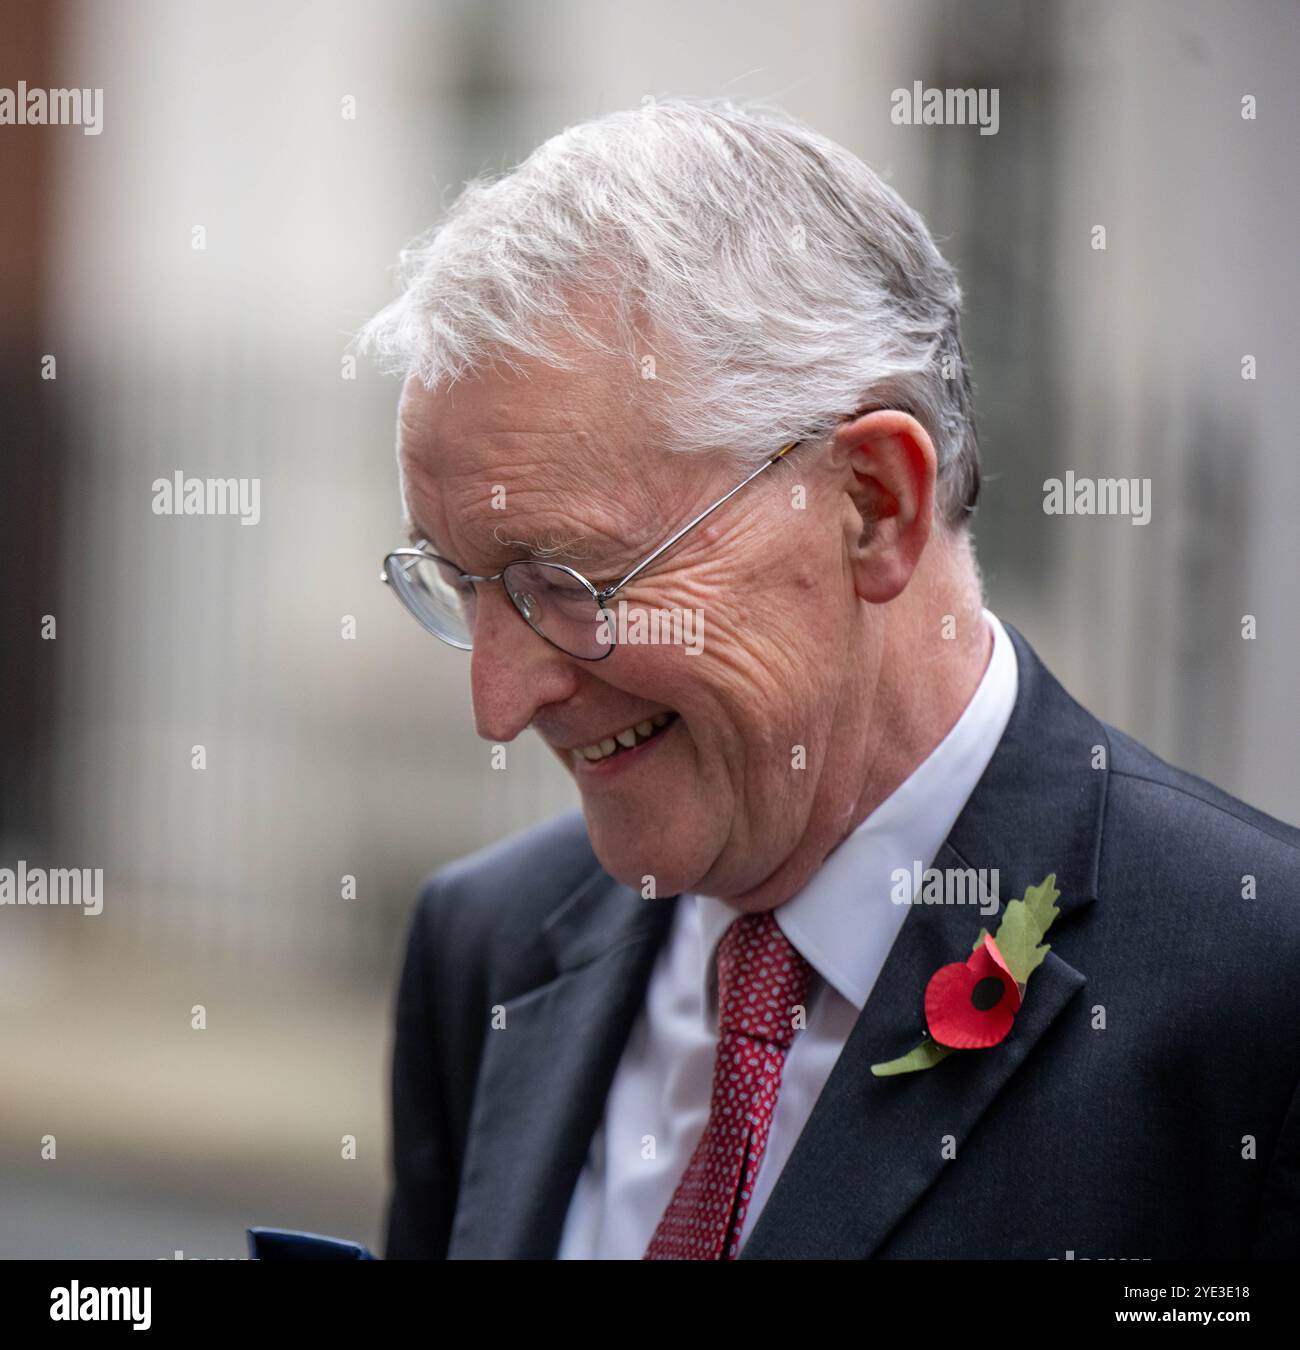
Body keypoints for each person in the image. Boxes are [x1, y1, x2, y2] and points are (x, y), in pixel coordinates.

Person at [359, 98, 1300, 1259]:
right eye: (461, 586)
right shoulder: (487, 947)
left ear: (872, 505)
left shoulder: (1260, 991)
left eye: (567, 582)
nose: (498, 705)